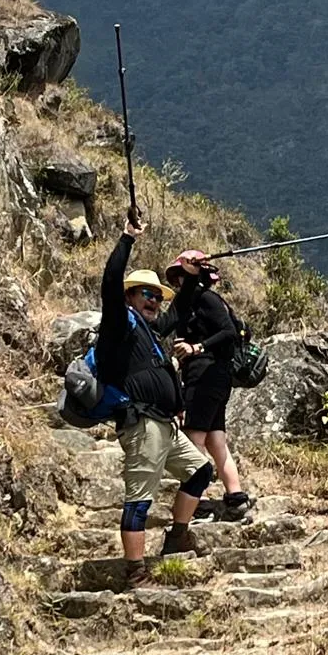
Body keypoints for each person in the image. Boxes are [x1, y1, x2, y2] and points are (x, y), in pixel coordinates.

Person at [96, 214, 214, 586]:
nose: (153, 301)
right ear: (130, 297)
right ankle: (134, 571)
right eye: (146, 294)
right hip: (141, 423)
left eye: (156, 296)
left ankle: (177, 536)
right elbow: (109, 282)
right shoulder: (120, 323)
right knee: (140, 499)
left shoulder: (148, 330)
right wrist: (127, 239)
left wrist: (193, 277)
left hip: (165, 423)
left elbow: (178, 311)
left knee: (201, 471)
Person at [164, 248, 253, 522]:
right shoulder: (209, 300)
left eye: (181, 276)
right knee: (216, 439)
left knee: (195, 436)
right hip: (218, 376)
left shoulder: (203, 299)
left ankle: (198, 500)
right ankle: (235, 497)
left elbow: (227, 332)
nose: (178, 282)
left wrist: (196, 347)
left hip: (203, 375)